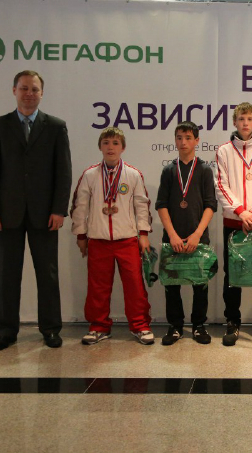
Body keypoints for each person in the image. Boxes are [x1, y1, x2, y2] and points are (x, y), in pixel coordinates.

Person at [0, 70, 72, 351]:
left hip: (45, 215)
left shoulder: (56, 127)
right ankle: (6, 332)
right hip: (6, 215)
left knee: (48, 274)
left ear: (41, 93)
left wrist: (59, 210)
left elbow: (63, 172)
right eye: (24, 88)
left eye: (34, 89)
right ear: (14, 91)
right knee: (7, 275)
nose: (29, 93)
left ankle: (51, 329)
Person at [70, 127, 155, 345]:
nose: (110, 147)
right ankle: (99, 326)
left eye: (115, 143)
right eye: (106, 143)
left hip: (127, 240)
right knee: (98, 286)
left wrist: (143, 234)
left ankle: (140, 325)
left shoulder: (133, 175)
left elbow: (142, 206)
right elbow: (80, 206)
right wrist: (81, 235)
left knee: (135, 285)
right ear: (100, 146)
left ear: (123, 148)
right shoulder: (90, 175)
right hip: (98, 240)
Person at [215, 102, 252, 347]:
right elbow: (221, 185)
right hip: (234, 221)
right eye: (241, 119)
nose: (245, 123)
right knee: (232, 274)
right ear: (234, 122)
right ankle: (232, 321)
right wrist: (241, 212)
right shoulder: (224, 151)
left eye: (250, 119)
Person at [156, 121, 217, 345]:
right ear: (175, 140)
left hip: (197, 237)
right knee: (172, 286)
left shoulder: (205, 170)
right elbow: (161, 205)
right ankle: (175, 326)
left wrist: (197, 234)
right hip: (172, 237)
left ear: (197, 141)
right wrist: (172, 234)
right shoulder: (168, 170)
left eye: (188, 138)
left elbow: (210, 205)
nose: (183, 142)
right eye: (179, 138)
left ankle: (199, 325)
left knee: (200, 284)